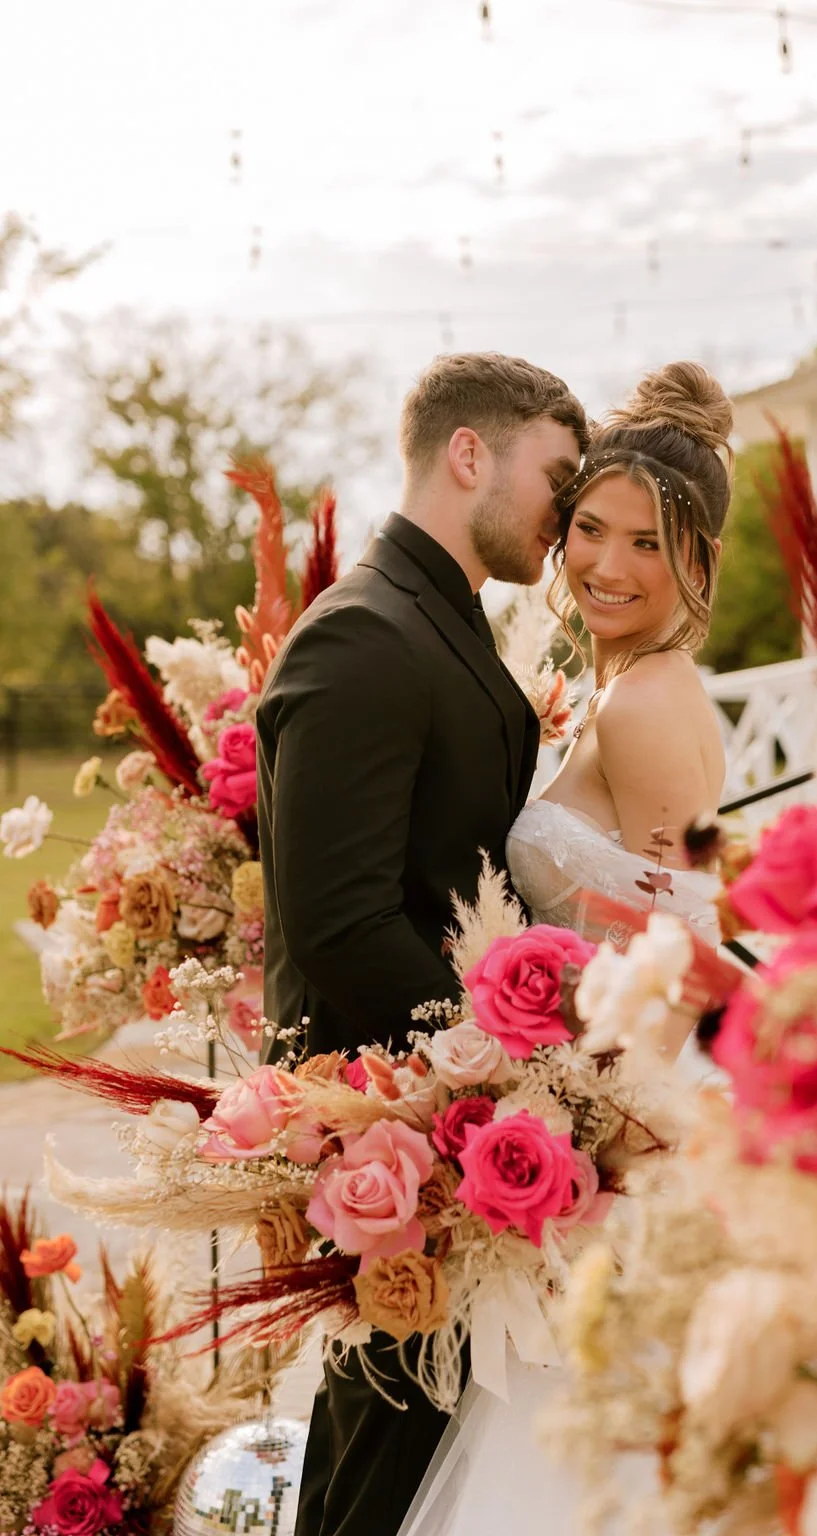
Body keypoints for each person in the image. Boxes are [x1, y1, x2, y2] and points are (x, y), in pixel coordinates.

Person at [398, 359, 733, 1536]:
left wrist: (592, 1108)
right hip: (603, 1091)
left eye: (648, 544)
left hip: (637, 1115)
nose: (605, 564)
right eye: (589, 527)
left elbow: (692, 947)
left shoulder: (645, 706)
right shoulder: (620, 686)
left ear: (696, 564)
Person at [256, 352, 588, 1536]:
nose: (565, 516)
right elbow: (340, 923)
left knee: (407, 1446)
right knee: (380, 1455)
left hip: (445, 1126)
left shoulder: (432, 622)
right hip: (388, 1127)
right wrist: (508, 1070)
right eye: (556, 476)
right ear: (468, 455)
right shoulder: (359, 635)